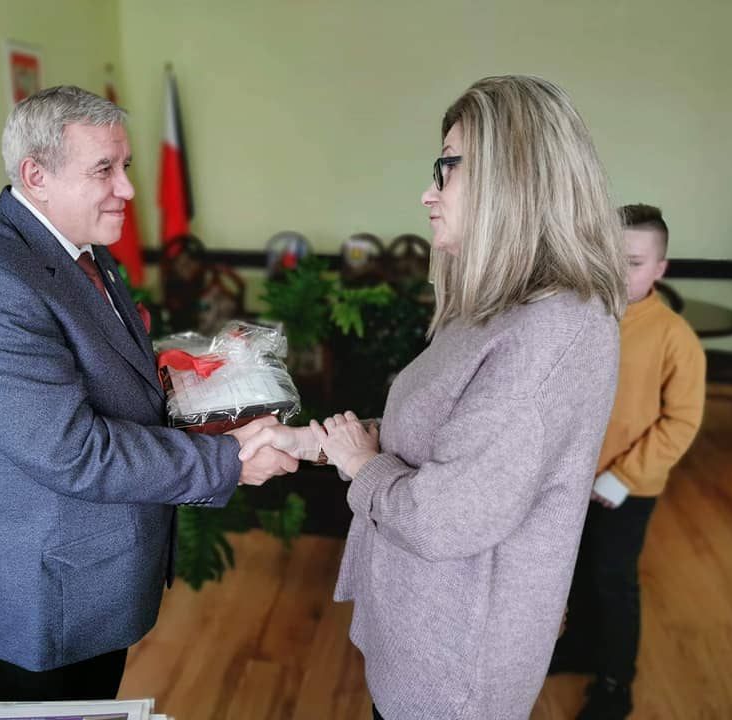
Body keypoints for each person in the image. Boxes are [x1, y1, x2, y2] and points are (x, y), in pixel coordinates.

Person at [239, 75, 627, 719]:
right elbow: (430, 432)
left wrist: (359, 464)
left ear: (514, 176)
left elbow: (442, 517)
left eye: (447, 168)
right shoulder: (495, 306)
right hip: (420, 629)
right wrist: (309, 442)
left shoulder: (554, 332)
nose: (429, 192)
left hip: (457, 670)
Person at [0, 85, 296, 701]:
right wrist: (229, 460)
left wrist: (204, 389)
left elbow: (105, 372)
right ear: (36, 176)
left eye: (126, 166)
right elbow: (73, 451)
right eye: (104, 170)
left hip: (99, 563)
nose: (128, 189)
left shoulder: (81, 248)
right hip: (51, 585)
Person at [550, 204, 706, 719]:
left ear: (660, 268)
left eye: (634, 263)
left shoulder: (675, 338)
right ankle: (580, 647)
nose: (618, 272)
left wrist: (622, 476)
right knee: (575, 571)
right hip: (570, 479)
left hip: (627, 488)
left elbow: (680, 423)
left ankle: (617, 681)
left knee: (612, 580)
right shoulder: (579, 316)